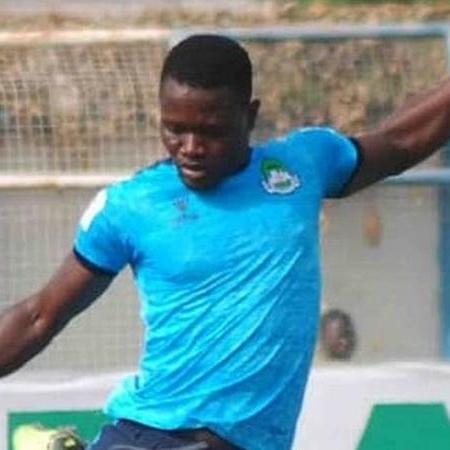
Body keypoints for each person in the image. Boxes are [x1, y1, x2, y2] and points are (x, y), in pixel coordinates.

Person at [0, 33, 449, 450]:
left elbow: (399, 141)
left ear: (249, 116)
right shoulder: (131, 205)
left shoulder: (301, 166)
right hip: (158, 435)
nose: (190, 147)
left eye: (211, 131)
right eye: (174, 129)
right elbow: (40, 315)